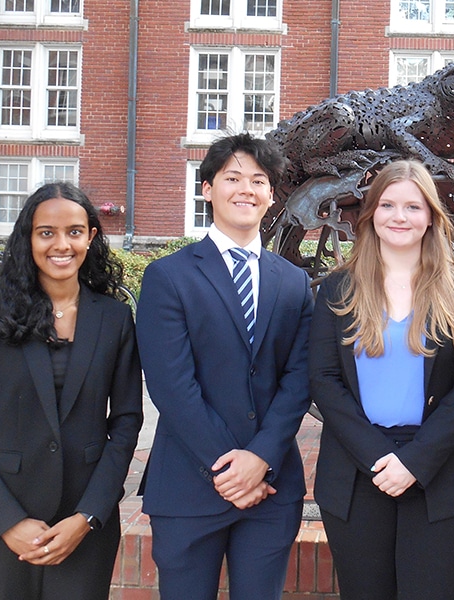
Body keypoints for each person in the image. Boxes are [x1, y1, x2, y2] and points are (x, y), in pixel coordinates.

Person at [0, 182, 143, 599]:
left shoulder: (115, 319)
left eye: (74, 231)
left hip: (82, 526)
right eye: (46, 232)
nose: (61, 244)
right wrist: (7, 522)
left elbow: (126, 424)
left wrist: (88, 515)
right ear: (28, 238)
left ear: (91, 235)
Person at [135, 132, 313, 600]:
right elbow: (171, 385)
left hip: (270, 488)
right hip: (190, 485)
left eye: (258, 181)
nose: (245, 190)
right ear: (207, 188)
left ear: (272, 195)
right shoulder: (168, 277)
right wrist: (230, 470)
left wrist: (261, 459)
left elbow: (299, 378)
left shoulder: (293, 282)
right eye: (232, 177)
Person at [309, 159, 454, 600]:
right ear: (370, 214)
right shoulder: (337, 288)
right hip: (357, 473)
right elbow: (323, 380)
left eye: (413, 206)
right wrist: (377, 457)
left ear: (430, 214)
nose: (399, 216)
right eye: (388, 205)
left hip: (439, 473)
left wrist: (415, 461)